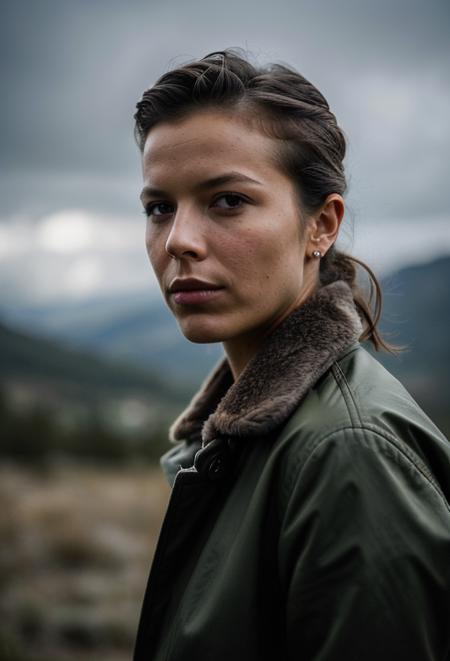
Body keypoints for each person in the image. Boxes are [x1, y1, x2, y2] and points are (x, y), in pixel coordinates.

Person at [132, 50, 450, 661]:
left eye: (227, 200)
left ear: (321, 225)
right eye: (158, 207)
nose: (179, 241)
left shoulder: (350, 454)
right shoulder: (249, 439)